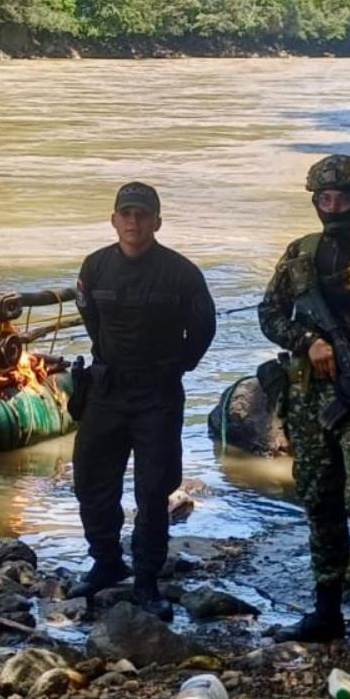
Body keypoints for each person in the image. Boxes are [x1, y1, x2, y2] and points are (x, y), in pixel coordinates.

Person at [259, 154, 350, 659]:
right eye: (325, 198)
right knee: (319, 500)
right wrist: (306, 342)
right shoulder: (300, 255)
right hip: (309, 399)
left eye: (343, 197)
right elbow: (270, 313)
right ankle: (326, 611)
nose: (333, 206)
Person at [69, 182, 216, 621]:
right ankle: (107, 562)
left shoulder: (181, 273)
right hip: (106, 389)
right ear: (114, 219)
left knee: (153, 490)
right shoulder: (95, 267)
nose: (133, 222)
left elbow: (203, 329)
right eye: (126, 214)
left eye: (142, 215)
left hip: (158, 393)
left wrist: (175, 367)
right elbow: (92, 319)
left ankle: (148, 578)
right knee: (92, 480)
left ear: (157, 222)